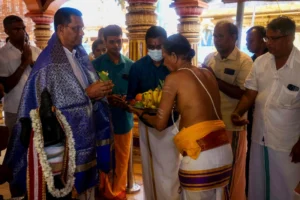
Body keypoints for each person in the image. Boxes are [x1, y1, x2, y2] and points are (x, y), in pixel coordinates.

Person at [4, 7, 114, 199]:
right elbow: (44, 110)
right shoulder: (48, 64)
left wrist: (99, 92)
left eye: (82, 28)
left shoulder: (79, 56)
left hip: (87, 138)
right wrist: (87, 94)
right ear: (61, 29)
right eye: (76, 28)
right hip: (63, 149)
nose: (81, 33)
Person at [130, 33, 233, 200]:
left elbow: (160, 124)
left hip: (199, 154)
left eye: (165, 57)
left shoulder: (174, 78)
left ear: (174, 56)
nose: (163, 62)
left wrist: (139, 111)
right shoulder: (207, 73)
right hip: (223, 150)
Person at [231, 16, 300, 200]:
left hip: (286, 143)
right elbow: (250, 93)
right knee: (257, 187)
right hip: (258, 138)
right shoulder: (261, 63)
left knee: (285, 189)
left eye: (273, 39)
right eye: (266, 38)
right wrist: (238, 112)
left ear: (289, 38)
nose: (268, 43)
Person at [126, 26, 181, 200]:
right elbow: (131, 98)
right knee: (150, 169)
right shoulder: (138, 67)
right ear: (145, 46)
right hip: (148, 125)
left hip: (172, 124)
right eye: (152, 46)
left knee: (171, 168)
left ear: (166, 46)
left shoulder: (173, 66)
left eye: (159, 46)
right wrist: (139, 106)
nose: (156, 50)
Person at [203, 20, 253, 200]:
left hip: (232, 125)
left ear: (233, 38)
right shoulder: (210, 58)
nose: (216, 39)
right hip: (211, 125)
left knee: (231, 171)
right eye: (215, 35)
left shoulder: (244, 62)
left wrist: (214, 79)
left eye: (220, 36)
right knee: (214, 169)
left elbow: (244, 94)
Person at [92, 25, 133, 200]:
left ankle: (118, 195)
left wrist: (127, 101)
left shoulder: (131, 66)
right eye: (112, 42)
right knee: (103, 161)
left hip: (123, 121)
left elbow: (137, 95)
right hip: (101, 123)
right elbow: (88, 93)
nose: (116, 45)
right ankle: (104, 194)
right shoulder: (95, 65)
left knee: (122, 162)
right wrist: (105, 99)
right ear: (104, 42)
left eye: (119, 41)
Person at [0, 15, 41, 137]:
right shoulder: (2, 55)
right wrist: (24, 63)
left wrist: (33, 64)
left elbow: (43, 77)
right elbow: (6, 86)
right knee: (16, 149)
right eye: (16, 29)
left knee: (37, 149)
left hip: (36, 108)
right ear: (6, 31)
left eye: (23, 28)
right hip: (15, 110)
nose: (22, 32)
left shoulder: (35, 51)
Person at [245, 25, 268, 196]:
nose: (247, 43)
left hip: (275, 121)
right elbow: (248, 92)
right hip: (253, 117)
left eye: (250, 40)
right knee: (253, 158)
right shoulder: (253, 60)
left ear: (263, 39)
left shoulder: (271, 60)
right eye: (246, 40)